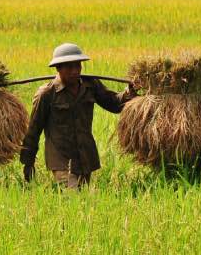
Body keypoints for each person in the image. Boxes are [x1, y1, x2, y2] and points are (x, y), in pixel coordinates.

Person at [20, 43, 136, 189]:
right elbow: (34, 129)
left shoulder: (91, 85)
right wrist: (28, 161)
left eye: (78, 66)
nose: (75, 71)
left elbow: (113, 104)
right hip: (61, 159)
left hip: (85, 157)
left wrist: (128, 93)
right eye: (69, 67)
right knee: (72, 196)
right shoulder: (47, 94)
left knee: (84, 201)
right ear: (58, 68)